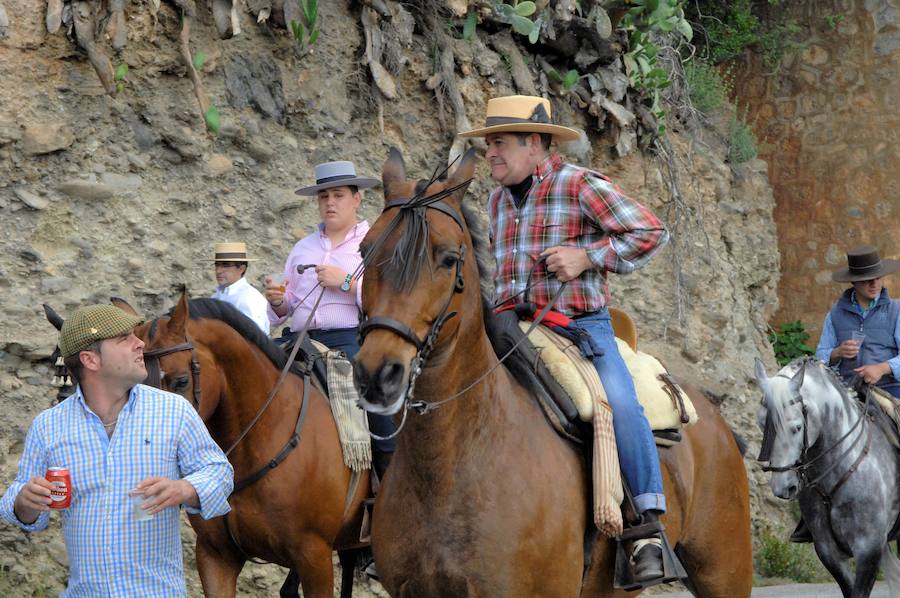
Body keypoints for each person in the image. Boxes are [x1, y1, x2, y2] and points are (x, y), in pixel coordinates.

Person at [460, 95, 671, 582]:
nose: (491, 152)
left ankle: (646, 529)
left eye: (500, 143)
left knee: (617, 402)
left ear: (535, 144)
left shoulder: (577, 184)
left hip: (578, 326)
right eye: (488, 143)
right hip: (508, 326)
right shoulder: (494, 200)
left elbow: (650, 232)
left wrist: (586, 256)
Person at [0, 304, 234, 596]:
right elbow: (18, 507)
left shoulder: (174, 411)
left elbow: (219, 472)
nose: (140, 344)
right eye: (124, 338)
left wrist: (185, 488)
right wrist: (26, 502)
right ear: (90, 359)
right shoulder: (48, 427)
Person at [265, 160, 396, 478]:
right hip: (298, 339)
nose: (330, 203)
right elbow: (286, 309)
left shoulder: (374, 242)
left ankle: (388, 475)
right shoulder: (302, 247)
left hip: (349, 337)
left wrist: (347, 281)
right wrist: (280, 301)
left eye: (338, 195)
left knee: (372, 396)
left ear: (356, 199)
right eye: (324, 197)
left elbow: (389, 300)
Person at [815, 245, 900, 397]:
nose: (874, 284)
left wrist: (882, 368)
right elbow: (820, 356)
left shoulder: (897, 310)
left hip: (890, 388)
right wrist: (837, 352)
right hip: (846, 391)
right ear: (854, 282)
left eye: (878, 278)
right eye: (867, 280)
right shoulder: (835, 313)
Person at [210, 241, 271, 335]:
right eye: (217, 265)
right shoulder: (216, 296)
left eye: (225, 265)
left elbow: (255, 338)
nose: (218, 271)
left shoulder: (249, 299)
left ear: (241, 268)